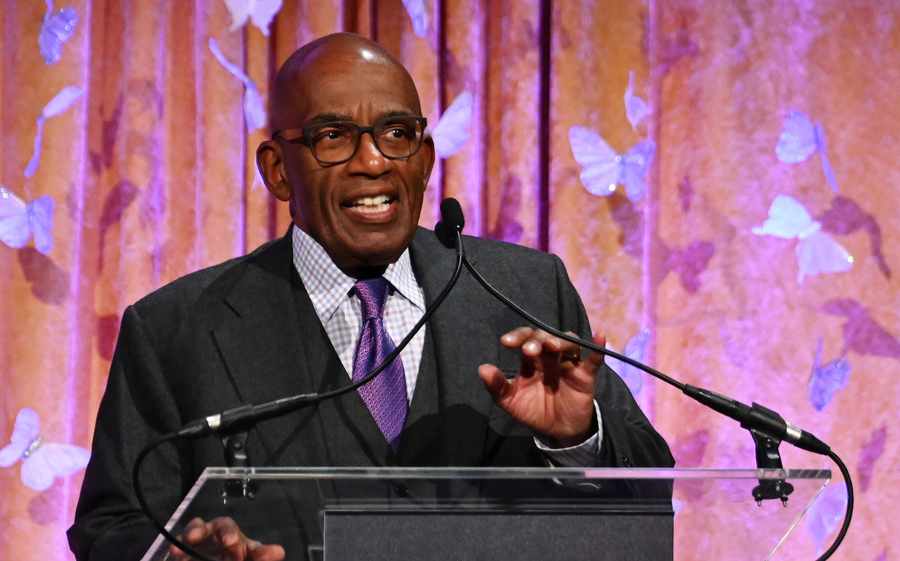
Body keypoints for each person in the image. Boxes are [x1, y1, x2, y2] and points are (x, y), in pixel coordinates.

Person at [68, 32, 673, 561]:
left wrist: (575, 440)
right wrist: (176, 558)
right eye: (333, 136)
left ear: (426, 159)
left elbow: (652, 490)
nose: (373, 161)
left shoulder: (523, 291)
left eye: (396, 133)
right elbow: (109, 528)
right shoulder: (176, 329)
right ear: (278, 170)